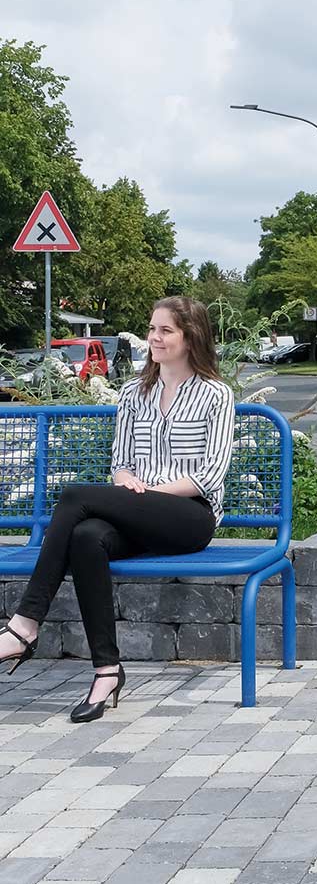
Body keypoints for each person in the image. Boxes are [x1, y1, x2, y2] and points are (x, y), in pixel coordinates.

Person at [0, 296, 235, 723]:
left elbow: (210, 474)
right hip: (138, 509)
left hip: (189, 516)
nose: (154, 338)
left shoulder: (215, 395)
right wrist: (126, 484)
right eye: (152, 329)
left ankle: (24, 625)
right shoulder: (133, 393)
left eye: (166, 330)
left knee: (73, 496)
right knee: (87, 537)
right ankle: (107, 671)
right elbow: (120, 462)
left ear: (191, 337)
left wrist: (147, 494)